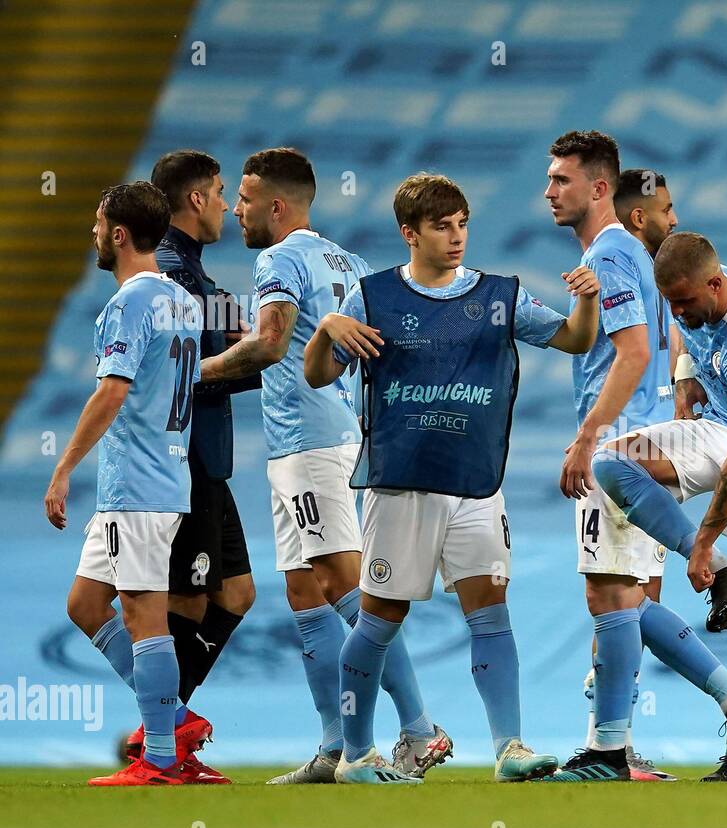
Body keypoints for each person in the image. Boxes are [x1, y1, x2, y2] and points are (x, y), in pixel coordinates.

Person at [304, 173, 600, 782]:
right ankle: (356, 757)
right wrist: (327, 329)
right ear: (410, 234)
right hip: (400, 484)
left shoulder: (500, 296)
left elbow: (575, 338)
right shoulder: (372, 298)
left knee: (491, 613)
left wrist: (588, 299)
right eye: (442, 226)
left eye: (462, 223)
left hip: (475, 485)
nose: (457, 236)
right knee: (379, 619)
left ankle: (509, 749)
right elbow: (316, 376)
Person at [200, 148, 446, 783]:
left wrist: (188, 374)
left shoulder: (278, 259)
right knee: (305, 592)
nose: (236, 210)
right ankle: (335, 747)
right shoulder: (350, 263)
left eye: (247, 200)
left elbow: (271, 342)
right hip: (322, 439)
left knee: (345, 588)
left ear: (277, 207)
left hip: (312, 443)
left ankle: (419, 730)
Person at [541, 135, 727, 783]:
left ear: (600, 188)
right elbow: (655, 341)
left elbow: (632, 351)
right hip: (648, 442)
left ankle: (610, 751)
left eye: (562, 180)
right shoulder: (630, 255)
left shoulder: (612, 252)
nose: (550, 191)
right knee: (626, 597)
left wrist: (588, 436)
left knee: (610, 594)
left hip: (622, 448)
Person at [581, 231, 727, 781]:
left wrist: (708, 540)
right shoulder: (703, 290)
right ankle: (720, 574)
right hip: (720, 424)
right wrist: (686, 373)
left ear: (715, 284)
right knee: (613, 461)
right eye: (670, 302)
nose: (678, 313)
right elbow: (684, 324)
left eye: (685, 302)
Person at [46, 182, 206, 785]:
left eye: (96, 222)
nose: (92, 233)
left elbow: (112, 392)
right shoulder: (180, 300)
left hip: (138, 483)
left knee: (143, 614)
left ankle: (162, 756)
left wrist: (62, 469)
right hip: (151, 479)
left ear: (118, 233)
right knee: (86, 605)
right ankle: (177, 719)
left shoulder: (131, 302)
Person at [128, 150, 260, 784]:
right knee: (187, 597)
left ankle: (168, 722)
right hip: (183, 466)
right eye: (221, 191)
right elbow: (182, 373)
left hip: (209, 462)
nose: (231, 205)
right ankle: (164, 737)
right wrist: (256, 353)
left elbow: (247, 350)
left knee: (235, 593)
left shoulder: (200, 279)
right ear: (197, 199)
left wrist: (257, 350)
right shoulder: (176, 277)